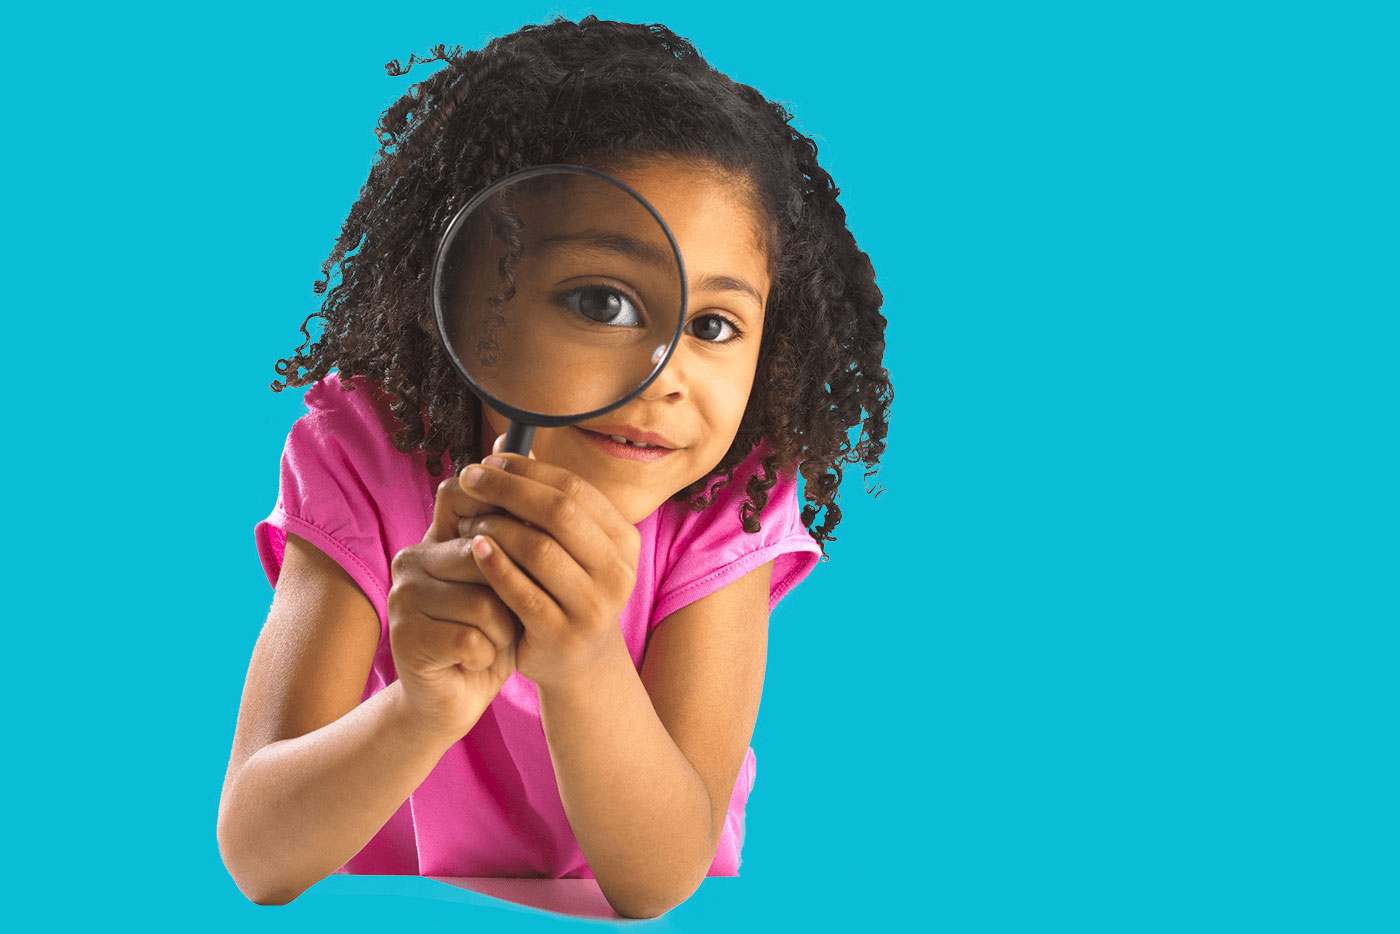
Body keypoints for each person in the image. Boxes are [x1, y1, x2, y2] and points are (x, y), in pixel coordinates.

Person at [217, 15, 892, 919]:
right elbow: (261, 858)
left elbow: (658, 883)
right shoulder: (366, 457)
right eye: (603, 301)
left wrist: (583, 664)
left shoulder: (732, 499)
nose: (669, 379)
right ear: (469, 301)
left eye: (714, 326)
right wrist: (422, 707)